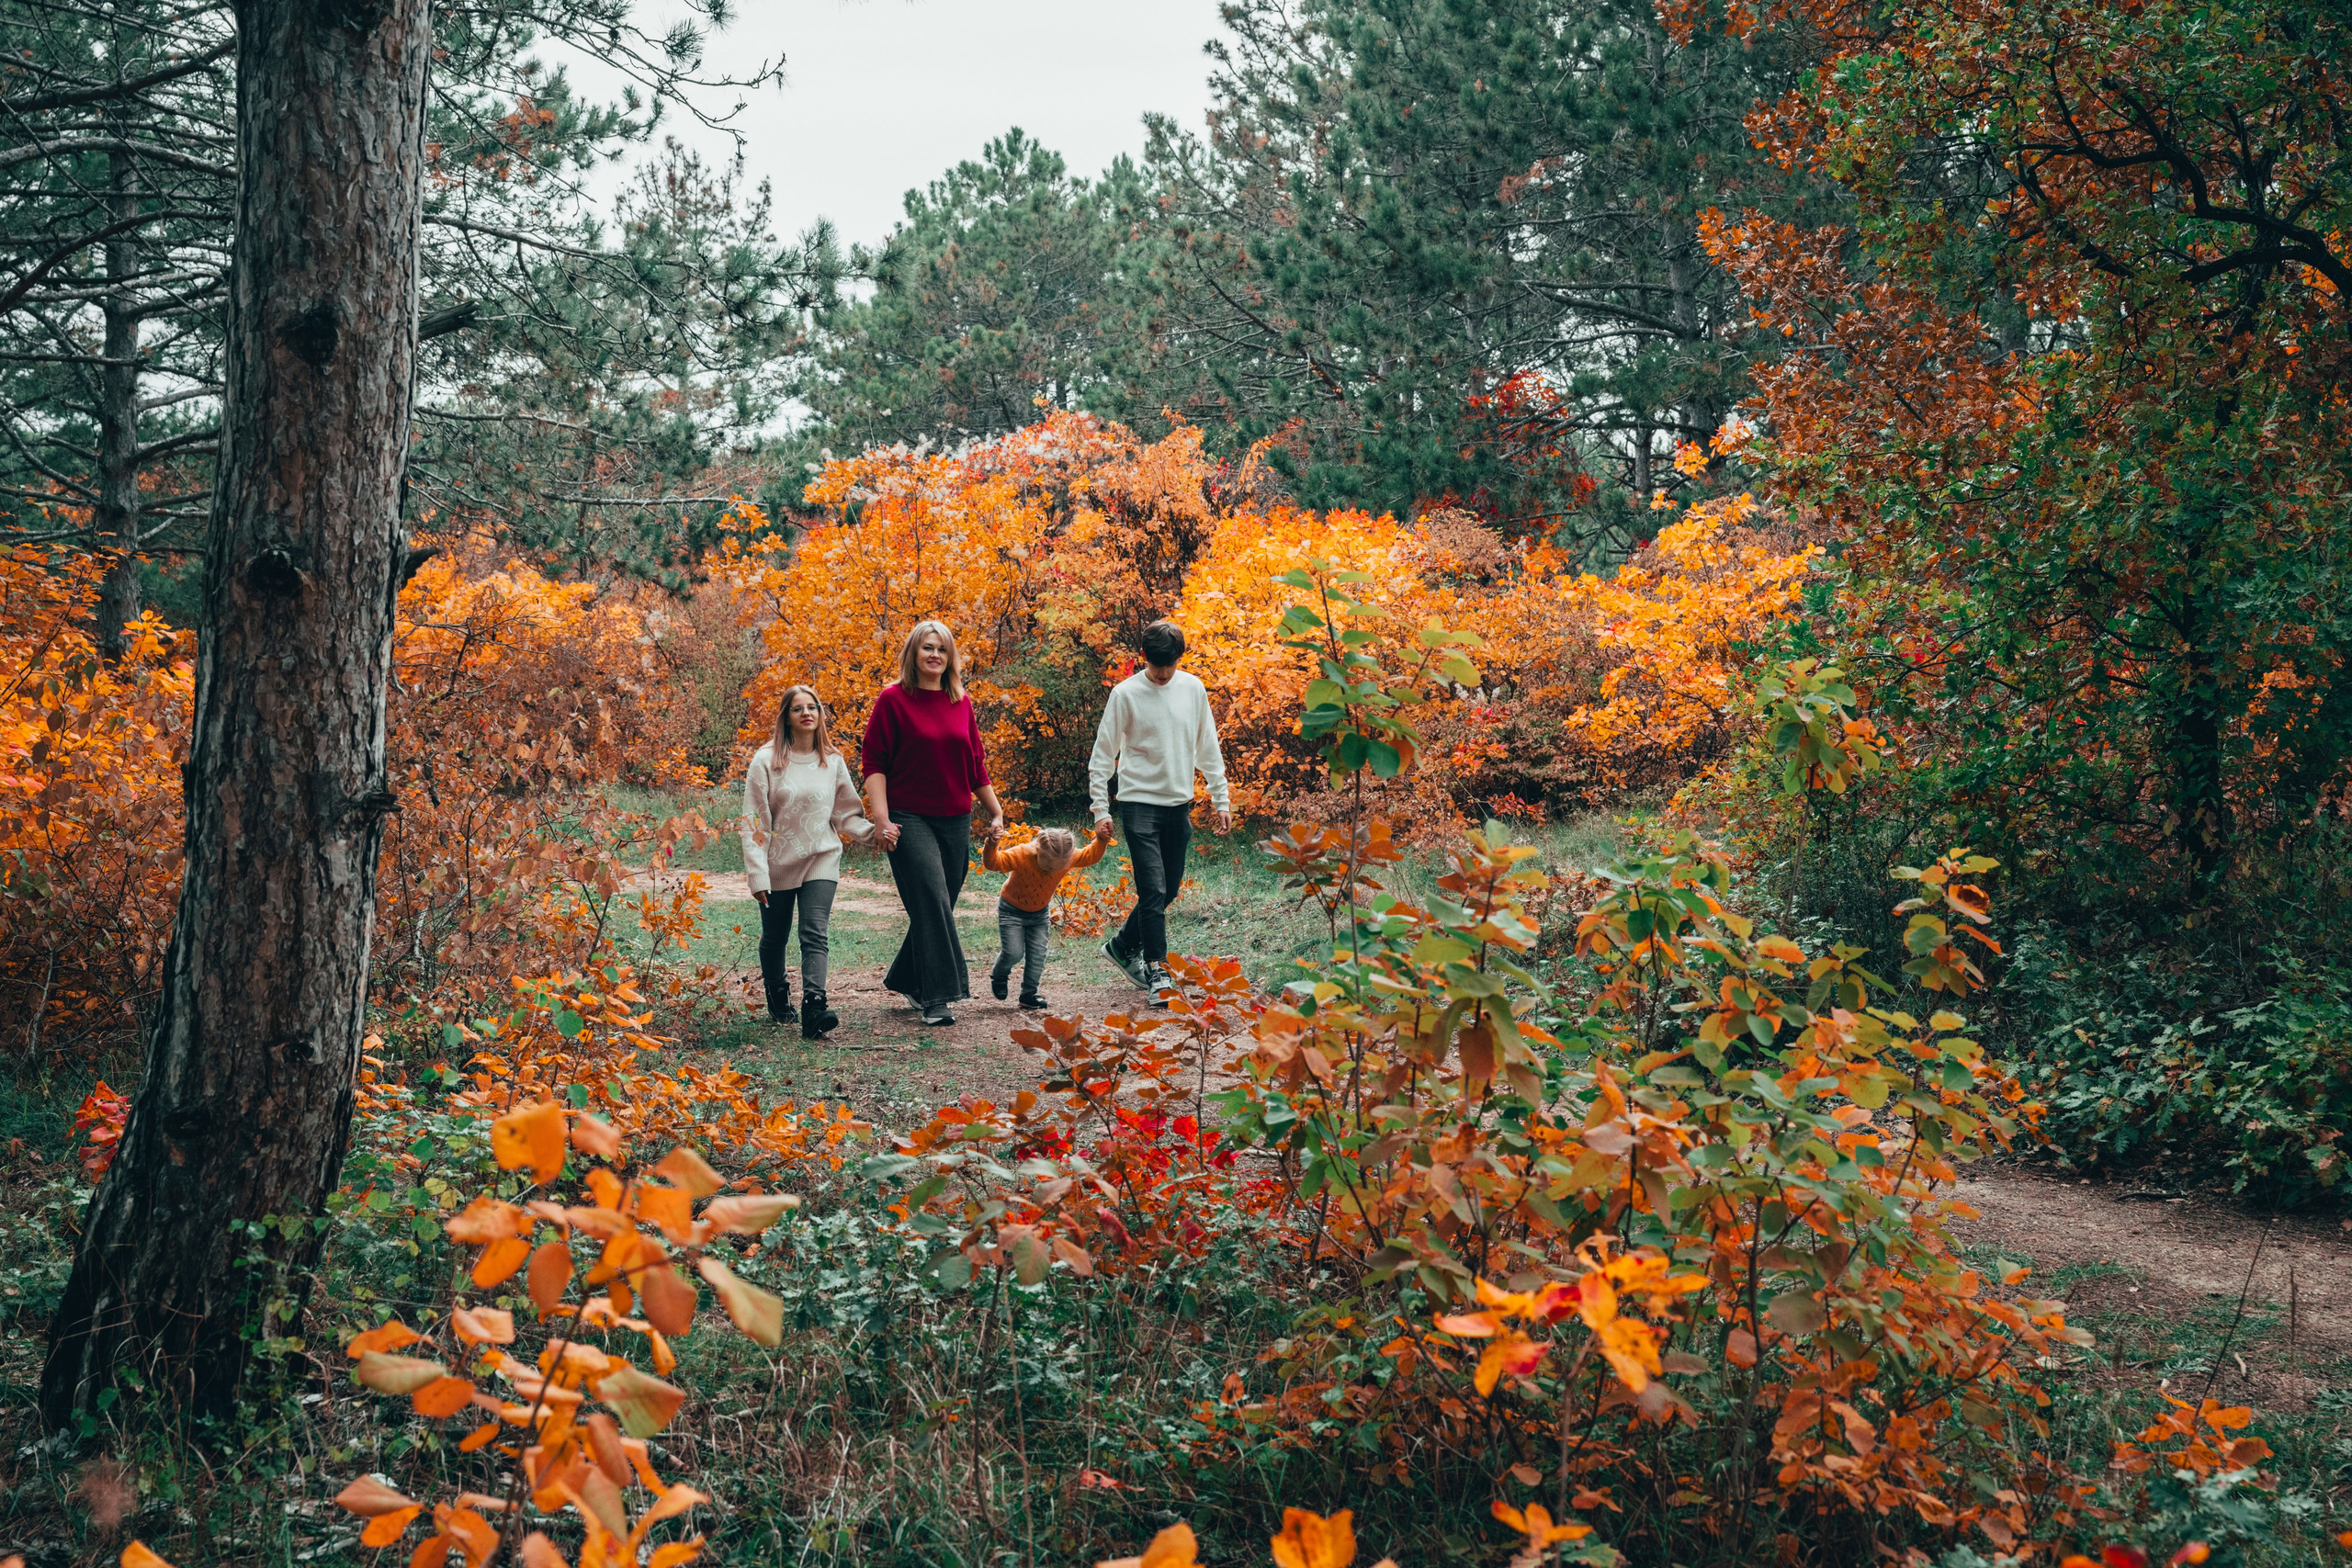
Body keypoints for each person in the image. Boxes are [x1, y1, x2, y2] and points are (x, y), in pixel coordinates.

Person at [862, 619, 1007, 1026]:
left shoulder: (960, 700)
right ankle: (937, 997)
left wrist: (994, 810)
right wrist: (882, 819)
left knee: (937, 906)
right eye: (927, 647)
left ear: (950, 657)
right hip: (909, 818)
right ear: (913, 653)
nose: (934, 655)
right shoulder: (892, 700)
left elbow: (975, 763)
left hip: (955, 817)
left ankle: (907, 977)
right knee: (931, 898)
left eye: (941, 649)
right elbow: (873, 763)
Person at [1089, 618, 1230, 993]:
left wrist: (1221, 798)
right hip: (1138, 805)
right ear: (1143, 658)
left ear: (1179, 659)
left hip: (1178, 804)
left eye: (1170, 664)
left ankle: (1121, 947)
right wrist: (1100, 809)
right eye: (1157, 665)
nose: (1164, 673)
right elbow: (1103, 755)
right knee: (1152, 890)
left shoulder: (1193, 689)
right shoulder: (1125, 694)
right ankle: (1157, 969)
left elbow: (1208, 748)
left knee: (1168, 890)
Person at [741, 684, 873, 1040]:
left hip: (821, 857)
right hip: (778, 863)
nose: (807, 713)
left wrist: (874, 833)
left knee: (814, 932)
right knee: (775, 937)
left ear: (820, 714)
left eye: (812, 707)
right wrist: (757, 875)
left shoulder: (832, 760)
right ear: (787, 717)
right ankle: (778, 992)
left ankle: (814, 1006)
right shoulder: (765, 760)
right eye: (798, 708)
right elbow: (755, 822)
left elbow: (846, 814)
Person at [982, 821, 1114, 1009]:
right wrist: (992, 844)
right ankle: (1000, 973)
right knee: (1013, 953)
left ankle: (1029, 994)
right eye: (1048, 867)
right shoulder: (1022, 854)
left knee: (1038, 955)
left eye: (1059, 867)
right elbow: (993, 863)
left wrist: (1101, 839)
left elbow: (1089, 856)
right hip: (1011, 910)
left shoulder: (1067, 855)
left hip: (1040, 913)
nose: (1052, 871)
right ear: (1038, 850)